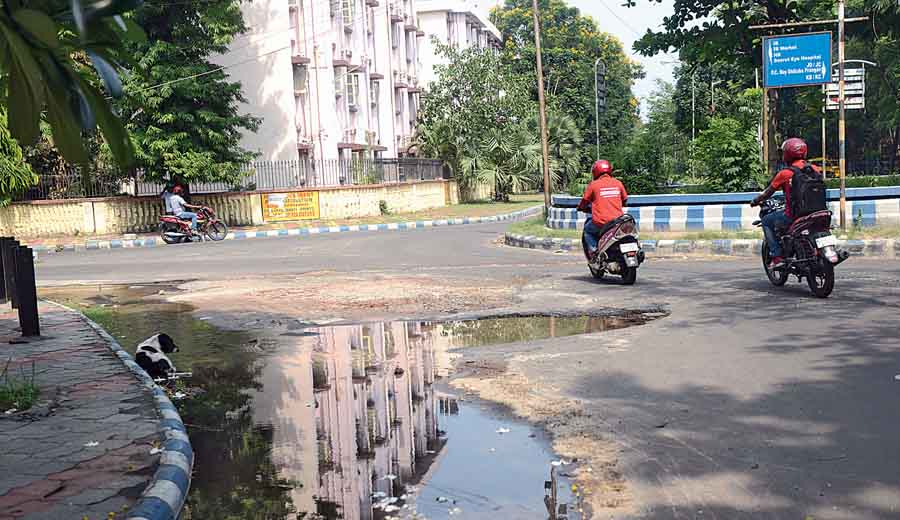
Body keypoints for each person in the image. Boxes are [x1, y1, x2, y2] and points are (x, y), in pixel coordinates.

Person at [751, 137, 822, 270]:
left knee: (766, 220)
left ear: (787, 154)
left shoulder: (785, 173)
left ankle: (777, 257)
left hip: (794, 216)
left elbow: (768, 193)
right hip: (818, 212)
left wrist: (756, 201)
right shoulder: (815, 169)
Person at [577, 159, 628, 258]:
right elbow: (625, 200)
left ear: (595, 171)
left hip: (601, 222)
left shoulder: (593, 185)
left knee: (588, 231)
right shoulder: (618, 183)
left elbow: (584, 202)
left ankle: (594, 251)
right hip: (618, 221)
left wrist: (580, 208)